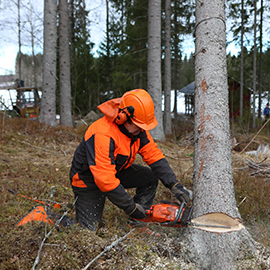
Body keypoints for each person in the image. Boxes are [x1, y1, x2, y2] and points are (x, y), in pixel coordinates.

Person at [69, 89, 192, 230]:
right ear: (123, 117)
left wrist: (174, 184)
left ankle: (137, 224)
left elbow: (154, 156)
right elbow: (105, 180)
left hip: (114, 170)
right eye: (139, 126)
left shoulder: (138, 131)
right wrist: (131, 208)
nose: (141, 130)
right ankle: (45, 216)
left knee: (150, 177)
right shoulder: (103, 133)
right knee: (87, 230)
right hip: (87, 179)